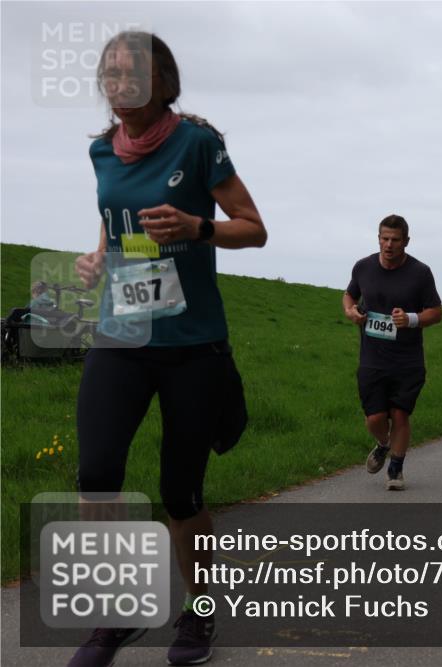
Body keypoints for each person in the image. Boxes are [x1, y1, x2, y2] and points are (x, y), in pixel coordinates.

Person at [69, 31, 266, 667]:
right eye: (110, 73)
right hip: (121, 335)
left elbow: (254, 229)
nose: (119, 83)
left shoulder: (199, 142)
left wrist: (198, 227)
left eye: (132, 72)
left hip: (192, 344)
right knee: (97, 477)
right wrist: (100, 257)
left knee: (181, 493)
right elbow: (114, 212)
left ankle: (198, 613)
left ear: (161, 80)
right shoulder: (102, 151)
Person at [343, 214, 442, 491]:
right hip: (372, 357)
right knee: (375, 418)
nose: (389, 245)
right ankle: (383, 444)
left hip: (407, 359)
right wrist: (351, 311)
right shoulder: (363, 267)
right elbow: (349, 295)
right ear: (378, 239)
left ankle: (396, 469)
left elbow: (436, 313)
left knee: (399, 415)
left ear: (406, 242)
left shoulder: (420, 272)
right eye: (384, 239)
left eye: (395, 240)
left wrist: (410, 319)